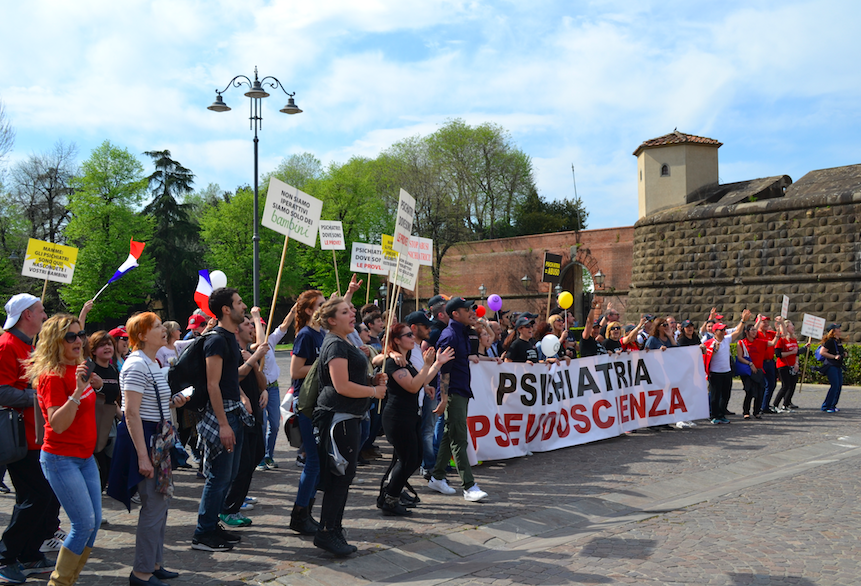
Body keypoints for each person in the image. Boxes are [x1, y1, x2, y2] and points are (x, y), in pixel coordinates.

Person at [108, 312, 189, 586]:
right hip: (144, 440)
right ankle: (141, 574)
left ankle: (154, 564)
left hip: (156, 439)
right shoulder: (136, 365)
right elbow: (131, 413)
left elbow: (150, 403)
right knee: (153, 506)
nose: (163, 330)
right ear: (141, 335)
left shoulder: (151, 362)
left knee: (161, 503)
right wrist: (143, 456)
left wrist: (173, 401)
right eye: (156, 327)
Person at [28, 314, 101, 585]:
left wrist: (95, 385)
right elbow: (58, 424)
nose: (78, 341)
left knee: (92, 527)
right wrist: (76, 393)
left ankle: (69, 580)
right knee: (83, 524)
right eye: (71, 336)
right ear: (56, 341)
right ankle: (58, 583)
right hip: (61, 459)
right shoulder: (51, 376)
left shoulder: (79, 367)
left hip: (85, 457)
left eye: (80, 335)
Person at [312, 297, 387, 556]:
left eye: (351, 310)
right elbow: (340, 385)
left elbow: (350, 379)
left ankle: (334, 529)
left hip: (349, 416)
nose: (352, 314)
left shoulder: (345, 341)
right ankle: (327, 532)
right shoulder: (334, 344)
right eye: (345, 312)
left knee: (344, 476)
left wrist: (370, 378)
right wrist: (373, 390)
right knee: (339, 477)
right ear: (332, 320)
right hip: (338, 418)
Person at [192, 287, 259, 552]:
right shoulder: (217, 339)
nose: (244, 306)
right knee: (218, 477)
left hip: (234, 412)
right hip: (223, 416)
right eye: (239, 302)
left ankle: (212, 523)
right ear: (226, 310)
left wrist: (242, 396)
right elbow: (213, 384)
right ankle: (203, 533)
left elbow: (230, 379)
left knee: (229, 474)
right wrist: (222, 424)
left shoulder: (229, 337)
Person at [0, 294, 57, 583]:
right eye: (41, 311)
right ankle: (6, 557)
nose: (45, 316)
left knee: (39, 496)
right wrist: (38, 396)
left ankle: (28, 554)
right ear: (27, 315)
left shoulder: (25, 344)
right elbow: (2, 391)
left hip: (33, 434)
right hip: (19, 436)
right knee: (37, 495)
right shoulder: (7, 345)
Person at [380, 323, 453, 516]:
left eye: (412, 335)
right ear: (396, 340)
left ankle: (392, 491)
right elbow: (412, 386)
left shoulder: (406, 360)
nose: (412, 338)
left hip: (410, 415)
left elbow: (420, 380)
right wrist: (429, 365)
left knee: (413, 457)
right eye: (408, 335)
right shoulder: (394, 362)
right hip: (397, 417)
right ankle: (390, 498)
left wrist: (437, 363)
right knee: (409, 459)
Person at [428, 297, 489, 503]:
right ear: (455, 313)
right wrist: (444, 399)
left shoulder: (462, 332)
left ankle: (437, 477)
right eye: (467, 309)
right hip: (453, 393)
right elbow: (443, 372)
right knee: (459, 438)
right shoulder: (449, 336)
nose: (472, 312)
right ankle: (469, 486)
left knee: (449, 434)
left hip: (461, 390)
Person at [221, 314, 269, 528]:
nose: (252, 327)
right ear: (237, 330)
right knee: (242, 464)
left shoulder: (247, 352)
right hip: (240, 415)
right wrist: (252, 358)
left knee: (256, 455)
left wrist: (264, 388)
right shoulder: (232, 352)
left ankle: (237, 501)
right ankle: (228, 508)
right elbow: (233, 377)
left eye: (252, 323)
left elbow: (262, 381)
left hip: (255, 414)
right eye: (248, 324)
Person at [288, 290, 327, 535]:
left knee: (318, 463)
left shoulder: (321, 333)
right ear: (309, 311)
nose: (325, 307)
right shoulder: (305, 335)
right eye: (321, 304)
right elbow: (295, 370)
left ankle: (308, 511)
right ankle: (299, 514)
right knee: (312, 462)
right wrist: (324, 365)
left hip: (320, 403)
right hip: (307, 404)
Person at [257, 304, 296, 472]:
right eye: (258, 325)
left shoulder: (271, 341)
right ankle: (259, 458)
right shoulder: (249, 346)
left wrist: (294, 309)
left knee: (274, 423)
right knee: (262, 425)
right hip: (258, 389)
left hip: (272, 387)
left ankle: (268, 455)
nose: (261, 328)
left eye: (263, 325)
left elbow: (284, 325)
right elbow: (258, 344)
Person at [89, 331, 121, 492]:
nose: (107, 347)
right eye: (102, 345)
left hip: (110, 421)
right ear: (93, 350)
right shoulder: (90, 368)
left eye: (109, 344)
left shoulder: (113, 369)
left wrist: (123, 416)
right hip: (92, 421)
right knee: (98, 463)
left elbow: (113, 398)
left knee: (110, 462)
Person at [736, 321, 768, 420]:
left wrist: (779, 332)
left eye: (755, 330)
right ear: (746, 331)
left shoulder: (759, 341)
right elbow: (740, 357)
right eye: (752, 330)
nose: (755, 332)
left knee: (760, 391)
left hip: (758, 370)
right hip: (747, 370)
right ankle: (746, 412)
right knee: (749, 391)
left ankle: (757, 411)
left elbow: (773, 343)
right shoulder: (741, 343)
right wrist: (750, 364)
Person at [703, 323, 732, 424]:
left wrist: (743, 321)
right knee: (715, 395)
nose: (723, 332)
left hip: (727, 372)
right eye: (721, 330)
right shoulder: (710, 342)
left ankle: (721, 414)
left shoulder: (727, 339)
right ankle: (713, 415)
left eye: (724, 329)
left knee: (726, 395)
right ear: (715, 332)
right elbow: (705, 355)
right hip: (715, 373)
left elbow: (737, 332)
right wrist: (715, 349)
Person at [772, 320, 801, 412]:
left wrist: (796, 363)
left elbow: (797, 353)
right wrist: (790, 353)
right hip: (783, 365)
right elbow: (778, 354)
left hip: (793, 365)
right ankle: (775, 404)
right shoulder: (781, 339)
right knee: (785, 385)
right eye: (790, 325)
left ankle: (786, 404)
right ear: (785, 328)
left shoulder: (794, 339)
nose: (793, 327)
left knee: (792, 385)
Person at [819, 324, 845, 413]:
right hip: (831, 365)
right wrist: (834, 357)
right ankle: (826, 406)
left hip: (838, 365)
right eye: (838, 328)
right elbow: (822, 352)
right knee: (835, 385)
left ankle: (833, 405)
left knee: (839, 385)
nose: (840, 330)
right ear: (833, 331)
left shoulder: (838, 341)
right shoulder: (830, 341)